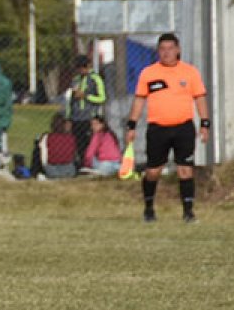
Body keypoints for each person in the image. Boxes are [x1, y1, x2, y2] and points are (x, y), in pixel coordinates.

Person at [125, 33, 210, 223]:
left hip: (183, 128)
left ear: (178, 50)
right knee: (153, 171)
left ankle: (188, 212)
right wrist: (131, 125)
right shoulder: (149, 73)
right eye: (162, 49)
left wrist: (205, 123)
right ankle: (149, 208)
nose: (167, 53)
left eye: (170, 48)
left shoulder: (190, 72)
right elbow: (139, 100)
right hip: (158, 129)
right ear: (158, 51)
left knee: (185, 170)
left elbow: (200, 98)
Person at [65, 54, 107, 167]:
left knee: (90, 143)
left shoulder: (95, 79)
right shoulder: (75, 80)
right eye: (79, 68)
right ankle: (81, 165)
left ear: (88, 66)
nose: (81, 70)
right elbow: (70, 100)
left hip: (89, 117)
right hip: (76, 117)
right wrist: (68, 117)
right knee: (78, 144)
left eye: (83, 67)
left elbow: (102, 98)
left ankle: (90, 164)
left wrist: (86, 96)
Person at [37, 113, 77, 179]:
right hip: (69, 170)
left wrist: (45, 166)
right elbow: (73, 154)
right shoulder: (71, 138)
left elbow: (43, 157)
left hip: (53, 170)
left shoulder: (47, 137)